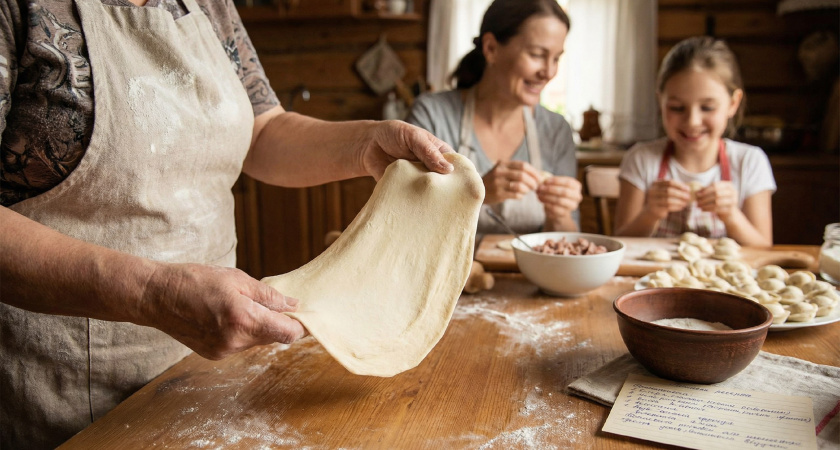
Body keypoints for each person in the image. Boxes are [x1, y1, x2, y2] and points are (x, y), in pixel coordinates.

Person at [0, 0, 454, 448]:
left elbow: (263, 131)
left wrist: (365, 142)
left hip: (212, 364)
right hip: (70, 389)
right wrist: (152, 292)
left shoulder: (211, 5)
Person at [406, 0, 582, 243]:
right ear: (491, 48)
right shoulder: (432, 116)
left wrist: (560, 214)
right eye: (537, 55)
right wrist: (476, 193)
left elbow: (567, 242)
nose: (549, 72)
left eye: (556, 59)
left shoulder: (556, 130)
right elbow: (407, 222)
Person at [614, 36, 775, 246]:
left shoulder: (750, 162)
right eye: (677, 108)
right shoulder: (641, 159)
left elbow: (763, 248)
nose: (692, 121)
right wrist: (651, 213)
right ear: (660, 102)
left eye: (707, 107)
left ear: (733, 103)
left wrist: (732, 216)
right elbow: (620, 243)